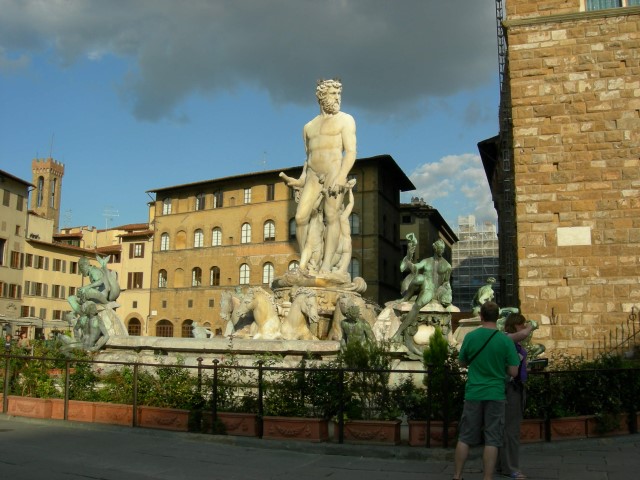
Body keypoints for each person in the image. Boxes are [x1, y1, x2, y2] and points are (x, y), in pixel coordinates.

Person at [280, 78, 357, 274]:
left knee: (331, 216)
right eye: (333, 94)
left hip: (334, 172)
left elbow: (351, 152)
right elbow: (309, 158)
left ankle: (325, 265)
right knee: (300, 217)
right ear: (322, 96)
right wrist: (299, 181)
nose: (338, 98)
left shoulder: (346, 120)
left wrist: (341, 176)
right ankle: (310, 261)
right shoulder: (308, 127)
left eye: (339, 94)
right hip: (313, 176)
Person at [453, 301, 520, 480]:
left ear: (481, 316)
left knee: (465, 437)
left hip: (474, 392)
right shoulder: (504, 340)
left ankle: (457, 476)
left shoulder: (470, 337)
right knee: (492, 438)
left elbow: (461, 362)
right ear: (497, 317)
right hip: (496, 393)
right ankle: (487, 478)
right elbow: (514, 371)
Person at [498, 313, 537, 480]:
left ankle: (503, 465)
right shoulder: (507, 338)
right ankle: (511, 468)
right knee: (510, 430)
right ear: (515, 325)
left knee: (508, 429)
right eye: (521, 324)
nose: (523, 327)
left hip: (515, 387)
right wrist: (531, 326)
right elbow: (523, 334)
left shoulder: (515, 343)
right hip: (510, 388)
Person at [392, 238, 452, 342]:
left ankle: (399, 332)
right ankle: (406, 298)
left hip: (432, 290)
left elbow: (446, 282)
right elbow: (415, 268)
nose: (442, 251)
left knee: (417, 306)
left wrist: (447, 292)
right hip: (425, 283)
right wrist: (409, 255)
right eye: (440, 248)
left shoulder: (447, 266)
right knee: (419, 278)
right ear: (435, 249)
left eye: (443, 249)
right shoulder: (426, 261)